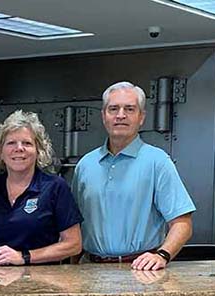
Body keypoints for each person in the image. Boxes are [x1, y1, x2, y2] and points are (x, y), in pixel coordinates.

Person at [72, 81, 195, 270]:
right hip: (89, 269)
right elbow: (74, 225)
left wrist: (162, 255)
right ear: (104, 116)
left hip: (141, 271)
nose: (120, 115)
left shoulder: (157, 162)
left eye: (129, 109)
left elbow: (182, 223)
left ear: (141, 117)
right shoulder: (85, 165)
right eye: (113, 109)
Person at [0, 110, 82, 266]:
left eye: (27, 143)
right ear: (0, 152)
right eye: (11, 143)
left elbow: (73, 244)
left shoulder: (55, 187)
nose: (19, 148)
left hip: (42, 277)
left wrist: (24, 257)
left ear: (39, 151)